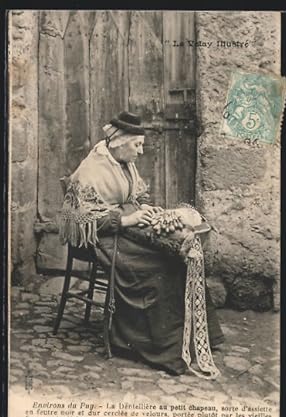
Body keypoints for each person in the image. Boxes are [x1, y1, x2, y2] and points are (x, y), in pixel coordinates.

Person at [59, 111, 224, 377]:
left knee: (176, 258)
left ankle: (193, 339)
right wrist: (127, 220)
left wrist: (146, 209)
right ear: (119, 142)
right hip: (103, 238)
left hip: (124, 229)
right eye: (137, 145)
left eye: (141, 144)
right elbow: (80, 221)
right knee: (156, 270)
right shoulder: (92, 170)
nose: (141, 150)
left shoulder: (123, 162)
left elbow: (132, 196)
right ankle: (156, 348)